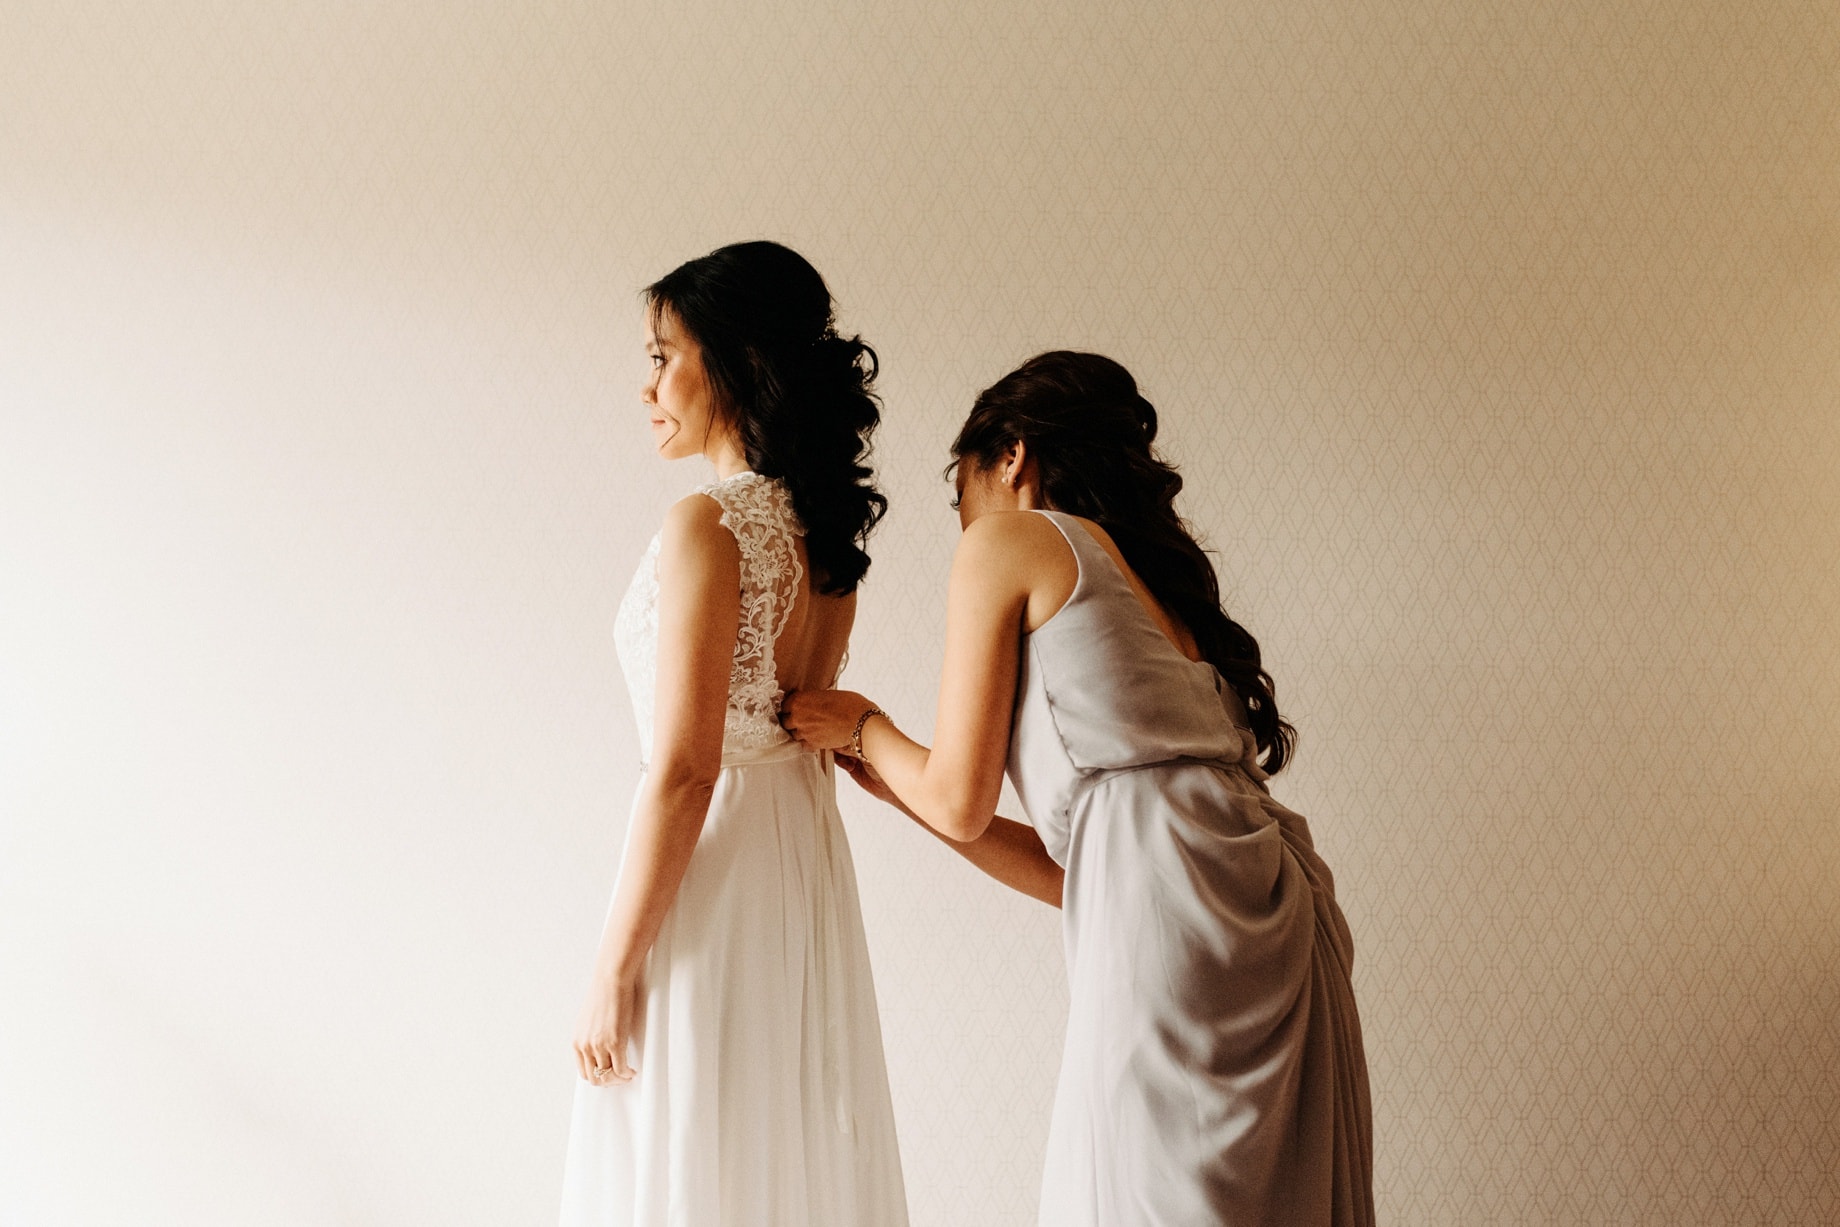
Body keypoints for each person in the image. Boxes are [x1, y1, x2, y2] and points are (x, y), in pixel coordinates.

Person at [780, 351, 1374, 1227]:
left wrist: (867, 725)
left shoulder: (1011, 540)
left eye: (960, 492)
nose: (962, 523)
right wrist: (904, 783)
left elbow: (961, 797)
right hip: (1274, 917)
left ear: (1011, 456)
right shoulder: (1157, 593)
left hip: (1175, 938)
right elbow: (1080, 873)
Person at [560, 241, 908, 1227]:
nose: (647, 386)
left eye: (663, 353)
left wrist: (612, 967)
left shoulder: (708, 524)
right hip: (796, 856)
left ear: (737, 358)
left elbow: (684, 770)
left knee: (689, 1140)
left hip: (710, 875)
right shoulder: (826, 535)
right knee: (775, 1136)